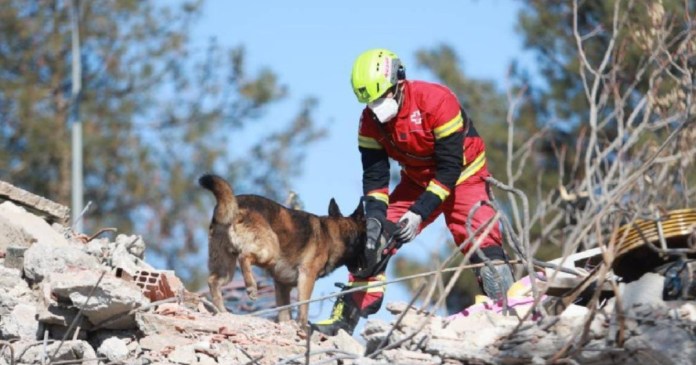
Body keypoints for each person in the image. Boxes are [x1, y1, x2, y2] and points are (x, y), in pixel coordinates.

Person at [313, 48, 515, 336]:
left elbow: (449, 168)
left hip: (465, 176)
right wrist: (375, 221)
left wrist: (419, 213)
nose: (377, 106)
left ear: (399, 82)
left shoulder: (436, 101)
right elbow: (375, 177)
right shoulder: (369, 122)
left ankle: (507, 313)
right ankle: (346, 317)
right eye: (370, 101)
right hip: (416, 181)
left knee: (483, 241)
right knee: (371, 240)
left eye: (381, 97)